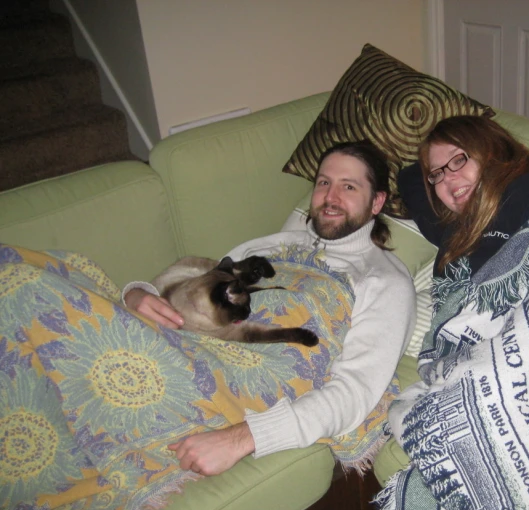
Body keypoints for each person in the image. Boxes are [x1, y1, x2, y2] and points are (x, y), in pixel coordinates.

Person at [124, 141, 416, 476]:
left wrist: (241, 439)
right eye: (323, 183)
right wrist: (139, 295)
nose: (330, 197)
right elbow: (199, 284)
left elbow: (355, 392)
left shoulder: (384, 280)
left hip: (217, 388)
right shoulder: (268, 245)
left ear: (377, 201)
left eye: (348, 186)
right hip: (181, 348)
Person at [398, 115, 529, 277]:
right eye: (437, 173)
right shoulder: (455, 233)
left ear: (495, 153)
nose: (448, 178)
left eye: (458, 159)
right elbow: (409, 177)